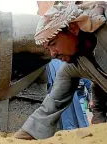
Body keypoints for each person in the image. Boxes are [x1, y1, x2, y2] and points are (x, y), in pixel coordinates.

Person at [14, 1, 107, 140]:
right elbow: (52, 105)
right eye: (48, 49)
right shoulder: (74, 66)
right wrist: (25, 135)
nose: (52, 54)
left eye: (53, 44)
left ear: (73, 28)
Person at [47, 59, 91, 130]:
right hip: (58, 103)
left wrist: (91, 96)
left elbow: (88, 80)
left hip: (77, 99)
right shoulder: (49, 65)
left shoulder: (71, 60)